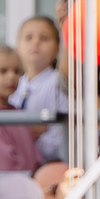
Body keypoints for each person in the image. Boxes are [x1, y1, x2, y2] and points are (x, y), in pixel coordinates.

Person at [0, 44, 40, 178]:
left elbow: (33, 154)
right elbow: (3, 164)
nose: (11, 76)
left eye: (17, 71)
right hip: (9, 190)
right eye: (3, 71)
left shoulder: (18, 114)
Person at [13, 14, 67, 163]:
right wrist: (25, 132)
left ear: (57, 48)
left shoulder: (59, 84)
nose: (35, 42)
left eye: (44, 38)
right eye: (28, 37)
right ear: (17, 47)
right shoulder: (12, 86)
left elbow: (60, 136)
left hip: (49, 165)